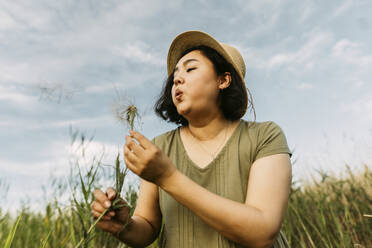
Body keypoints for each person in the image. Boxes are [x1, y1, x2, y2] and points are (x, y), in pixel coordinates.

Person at [91, 30, 293, 248]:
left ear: (223, 80)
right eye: (175, 75)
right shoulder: (160, 148)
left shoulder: (264, 136)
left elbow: (262, 233)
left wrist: (168, 177)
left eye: (191, 68)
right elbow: (147, 226)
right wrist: (124, 226)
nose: (177, 79)